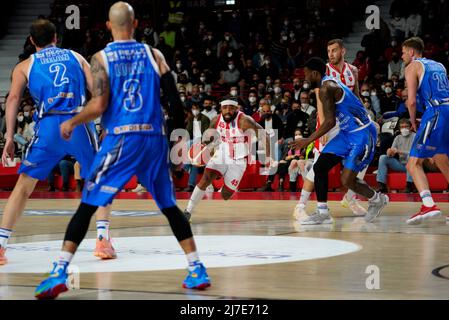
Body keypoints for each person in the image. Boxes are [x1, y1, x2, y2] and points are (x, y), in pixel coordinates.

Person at [34, 2, 210, 299]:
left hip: (122, 139)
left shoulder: (101, 58)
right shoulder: (155, 55)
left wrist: (73, 121)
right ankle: (196, 268)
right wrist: (175, 146)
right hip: (154, 139)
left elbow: (100, 106)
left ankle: (59, 271)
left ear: (107, 26)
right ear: (136, 24)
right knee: (168, 206)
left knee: (88, 202)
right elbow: (177, 107)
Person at [0, 19, 115, 266]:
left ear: (32, 41)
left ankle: (0, 246)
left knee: (23, 186)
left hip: (49, 126)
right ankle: (103, 240)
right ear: (56, 38)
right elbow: (98, 90)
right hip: (79, 121)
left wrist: (9, 136)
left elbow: (12, 99)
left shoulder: (25, 65)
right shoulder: (76, 56)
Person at [291, 57, 389, 225]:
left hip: (361, 135)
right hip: (346, 132)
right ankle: (322, 212)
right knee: (320, 167)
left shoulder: (326, 88)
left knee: (346, 180)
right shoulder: (328, 83)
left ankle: (376, 199)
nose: (305, 79)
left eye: (306, 74)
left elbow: (329, 122)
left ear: (315, 73)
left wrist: (307, 140)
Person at [184, 97, 272, 221]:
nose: (227, 111)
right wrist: (202, 151)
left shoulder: (244, 121)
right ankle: (188, 211)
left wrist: (268, 158)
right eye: (225, 108)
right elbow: (209, 138)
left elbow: (264, 135)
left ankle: (222, 174)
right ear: (221, 108)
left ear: (236, 109)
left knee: (225, 195)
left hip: (238, 160)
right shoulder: (215, 120)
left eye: (231, 108)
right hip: (222, 154)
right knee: (205, 179)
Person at [402, 37, 449, 225]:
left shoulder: (412, 67)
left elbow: (411, 101)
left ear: (412, 52)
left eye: (404, 52)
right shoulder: (439, 65)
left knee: (413, 164)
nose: (403, 56)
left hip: (435, 112)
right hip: (446, 110)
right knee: (442, 160)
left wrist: (413, 121)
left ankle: (428, 205)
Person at [376, 118, 415, 193]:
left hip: (412, 165)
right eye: (402, 127)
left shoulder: (415, 136)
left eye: (406, 126)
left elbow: (415, 153)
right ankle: (382, 185)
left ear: (410, 128)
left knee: (411, 158)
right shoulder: (397, 138)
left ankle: (409, 185)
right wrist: (389, 152)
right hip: (401, 164)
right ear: (399, 129)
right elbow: (393, 151)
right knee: (383, 157)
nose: (404, 129)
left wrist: (400, 151)